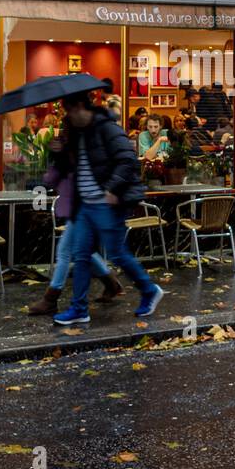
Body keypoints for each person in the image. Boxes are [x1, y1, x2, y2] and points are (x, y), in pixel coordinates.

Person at [51, 90, 164, 325]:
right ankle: (79, 308)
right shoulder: (75, 133)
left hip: (106, 203)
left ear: (83, 107)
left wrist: (112, 189)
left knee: (116, 253)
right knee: (81, 255)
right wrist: (59, 152)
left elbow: (128, 160)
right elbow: (72, 167)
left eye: (71, 111)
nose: (69, 116)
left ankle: (149, 289)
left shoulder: (107, 128)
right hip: (85, 204)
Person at [27, 162, 122, 315]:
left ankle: (51, 299)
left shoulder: (87, 144)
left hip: (89, 202)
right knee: (83, 250)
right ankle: (111, 283)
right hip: (85, 202)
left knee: (65, 250)